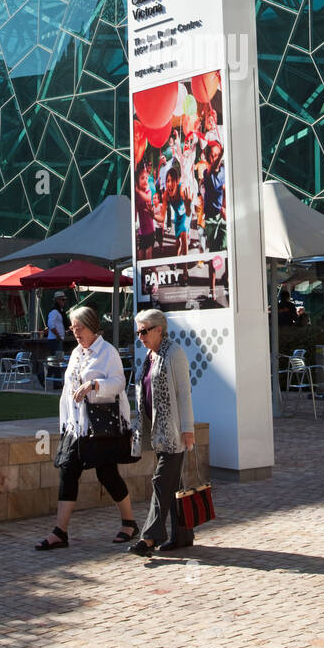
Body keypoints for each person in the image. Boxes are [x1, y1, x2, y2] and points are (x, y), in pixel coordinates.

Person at [35, 305, 138, 549]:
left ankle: (129, 523)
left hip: (100, 426)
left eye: (78, 328)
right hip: (76, 427)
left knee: (106, 473)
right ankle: (60, 532)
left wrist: (93, 385)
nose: (75, 332)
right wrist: (65, 424)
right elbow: (67, 391)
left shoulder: (107, 352)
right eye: (72, 327)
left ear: (91, 327)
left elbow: (119, 383)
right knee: (67, 470)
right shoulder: (76, 353)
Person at [128, 308, 196, 557]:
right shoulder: (151, 355)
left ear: (159, 329)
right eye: (138, 332)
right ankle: (183, 535)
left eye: (144, 331)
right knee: (173, 484)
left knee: (160, 482)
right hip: (157, 433)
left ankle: (149, 538)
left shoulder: (173, 353)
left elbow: (183, 393)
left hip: (174, 433)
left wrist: (188, 429)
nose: (140, 336)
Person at [200, 140, 226, 297]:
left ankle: (229, 278)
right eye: (213, 155)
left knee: (229, 248)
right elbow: (214, 166)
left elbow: (225, 190)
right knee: (214, 253)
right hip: (210, 218)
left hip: (222, 215)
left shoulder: (223, 171)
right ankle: (213, 289)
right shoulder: (207, 172)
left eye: (217, 154)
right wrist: (222, 153)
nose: (215, 158)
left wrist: (225, 208)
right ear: (208, 158)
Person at [135, 163, 157, 261]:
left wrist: (138, 191)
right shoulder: (137, 196)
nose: (145, 180)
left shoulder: (147, 192)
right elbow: (135, 211)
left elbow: (148, 198)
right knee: (140, 254)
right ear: (137, 181)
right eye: (142, 178)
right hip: (141, 231)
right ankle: (142, 274)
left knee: (148, 256)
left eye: (146, 178)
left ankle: (155, 274)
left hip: (150, 230)